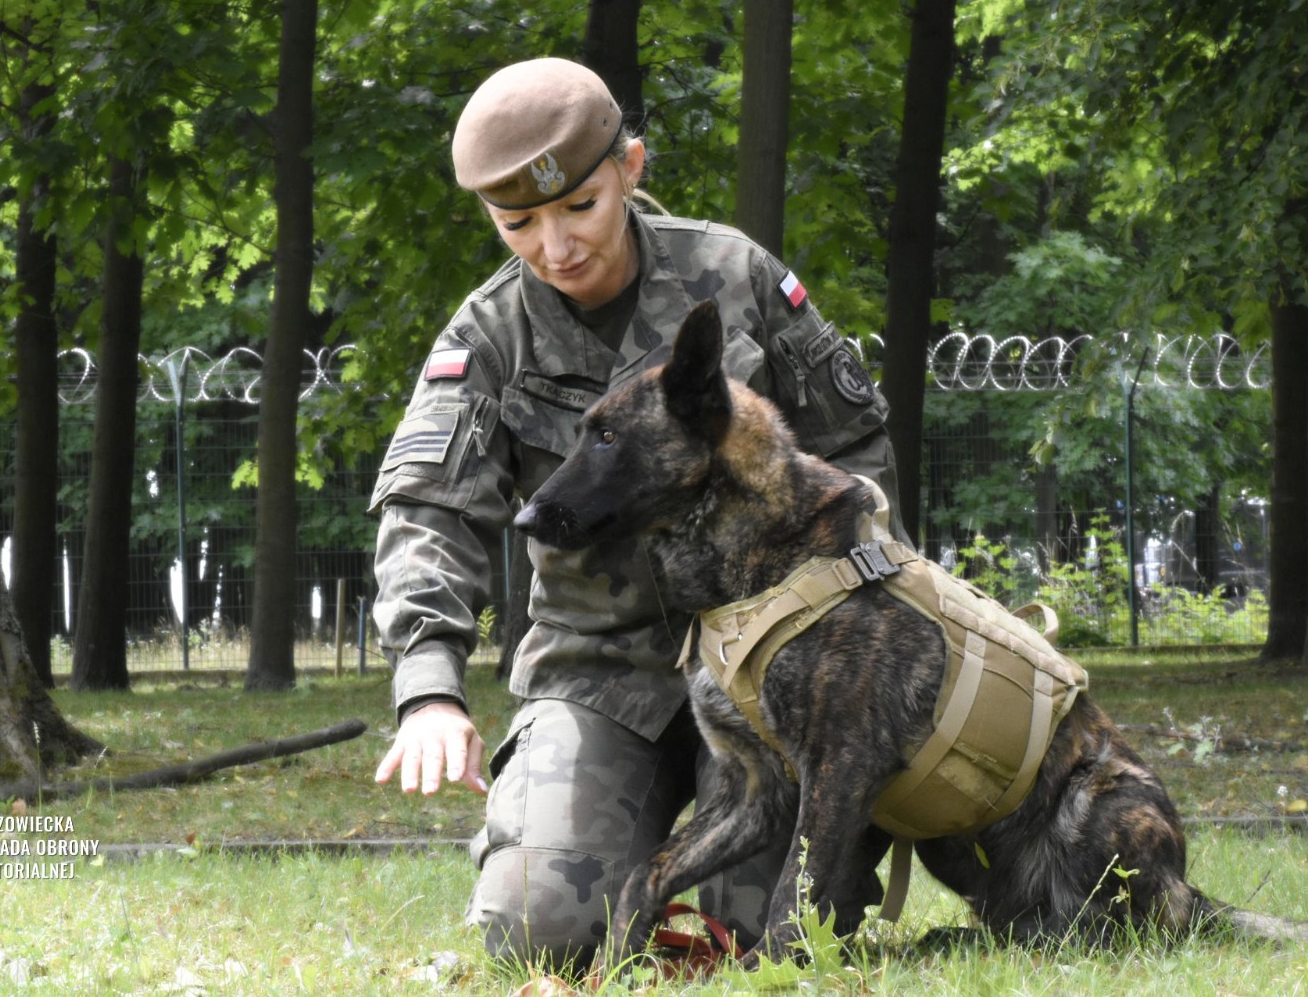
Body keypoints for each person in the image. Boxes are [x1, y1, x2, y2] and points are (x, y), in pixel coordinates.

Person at [370, 57, 907, 972]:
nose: (555, 245)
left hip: (766, 668)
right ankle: (544, 833)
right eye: (517, 223)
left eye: (577, 206)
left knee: (774, 929)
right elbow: (428, 510)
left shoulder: (733, 275)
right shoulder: (489, 334)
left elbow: (855, 453)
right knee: (539, 931)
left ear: (630, 166)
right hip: (600, 675)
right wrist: (428, 686)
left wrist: (856, 630)